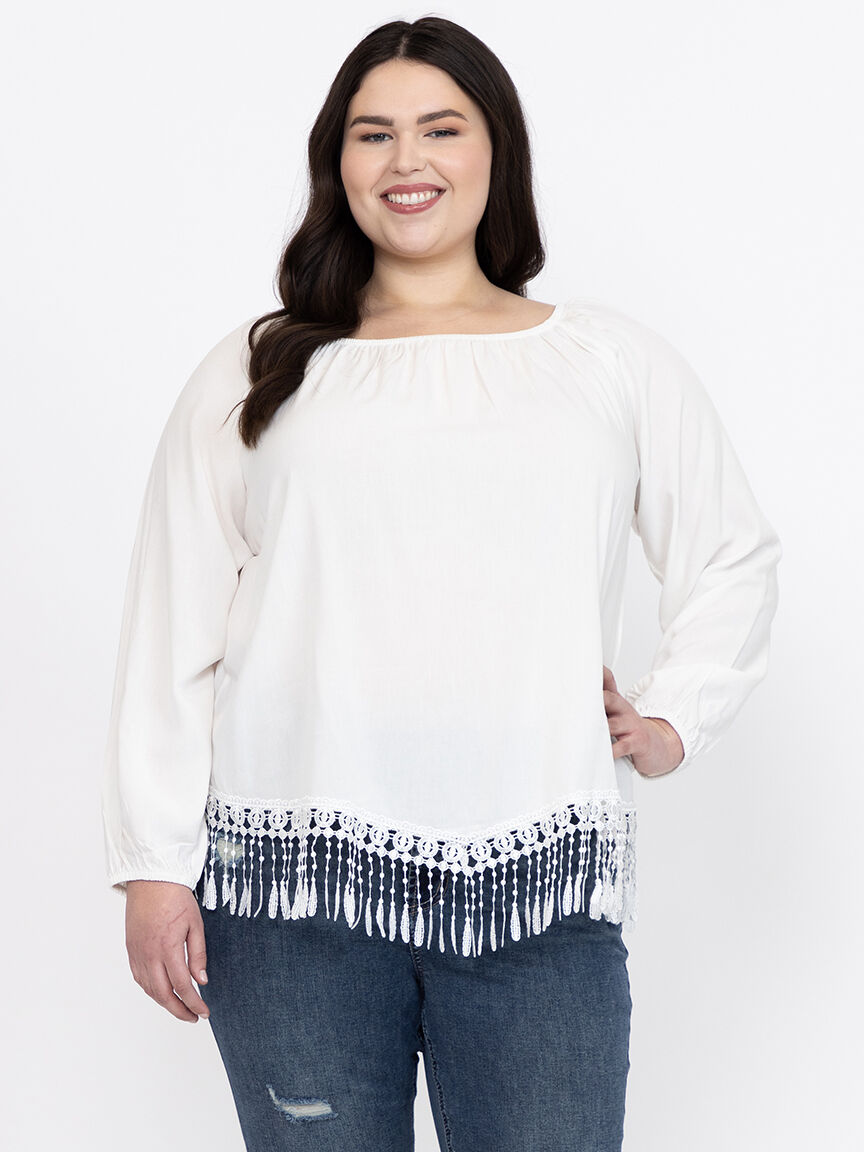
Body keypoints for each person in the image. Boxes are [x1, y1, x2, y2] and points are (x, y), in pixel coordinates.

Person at [101, 15, 781, 1152]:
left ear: (495, 150)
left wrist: (674, 716)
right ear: (338, 164)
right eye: (373, 134)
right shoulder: (261, 368)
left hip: (539, 895)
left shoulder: (605, 361)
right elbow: (174, 621)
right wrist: (153, 869)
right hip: (294, 900)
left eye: (440, 128)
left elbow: (732, 552)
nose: (405, 160)